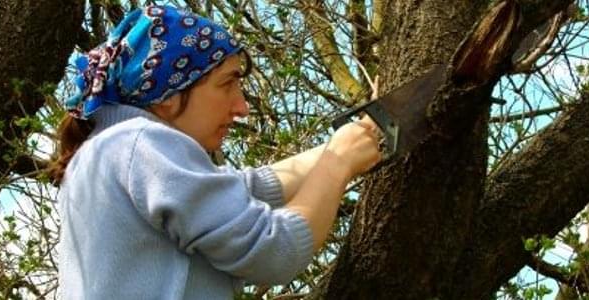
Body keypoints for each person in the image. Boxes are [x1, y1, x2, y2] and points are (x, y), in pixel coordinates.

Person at [52, 5, 381, 299]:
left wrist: (351, 140)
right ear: (168, 93)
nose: (241, 108)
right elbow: (275, 250)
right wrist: (337, 163)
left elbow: (241, 189)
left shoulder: (108, 153)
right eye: (227, 84)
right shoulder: (142, 143)